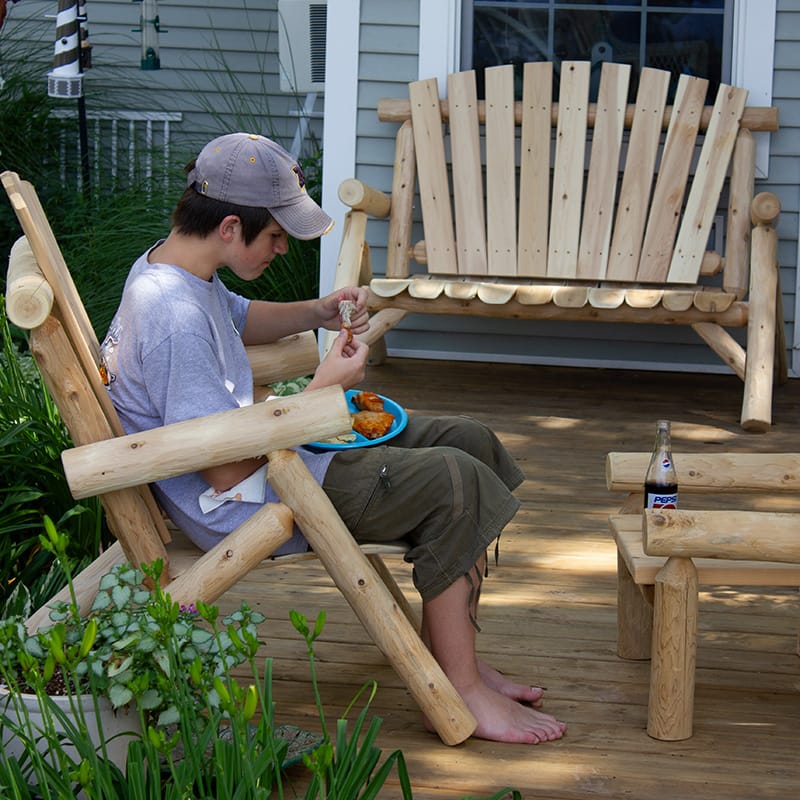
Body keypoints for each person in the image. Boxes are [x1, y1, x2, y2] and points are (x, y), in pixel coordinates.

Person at [101, 132, 566, 745]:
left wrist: (317, 312)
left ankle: (458, 659)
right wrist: (321, 391)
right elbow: (224, 470)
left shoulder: (179, 270)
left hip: (272, 454)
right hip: (246, 498)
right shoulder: (173, 318)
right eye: (275, 236)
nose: (281, 248)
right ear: (230, 227)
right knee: (454, 482)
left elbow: (236, 316)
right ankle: (463, 691)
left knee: (468, 439)